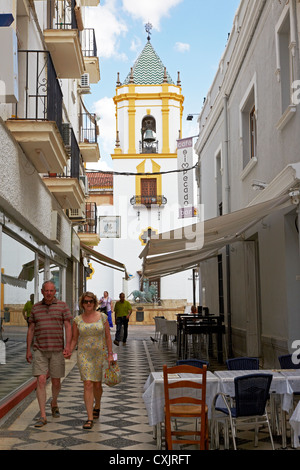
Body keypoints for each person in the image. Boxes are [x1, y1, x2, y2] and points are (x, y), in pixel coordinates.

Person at [26, 281, 72, 428]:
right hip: (39, 349)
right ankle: (43, 415)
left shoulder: (62, 306)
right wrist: (28, 349)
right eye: (46, 291)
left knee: (56, 381)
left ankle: (54, 402)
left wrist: (68, 346)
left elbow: (68, 326)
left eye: (51, 291)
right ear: (42, 291)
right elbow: (31, 329)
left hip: (57, 349)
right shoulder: (35, 308)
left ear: (55, 291)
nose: (49, 293)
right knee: (40, 380)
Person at [69, 292, 113, 430]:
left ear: (95, 303)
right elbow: (74, 339)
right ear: (82, 304)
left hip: (99, 354)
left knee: (97, 385)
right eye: (86, 301)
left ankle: (97, 405)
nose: (88, 304)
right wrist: (69, 350)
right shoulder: (77, 320)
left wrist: (110, 354)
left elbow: (107, 337)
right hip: (84, 355)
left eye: (91, 301)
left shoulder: (103, 317)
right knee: (87, 383)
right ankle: (89, 418)